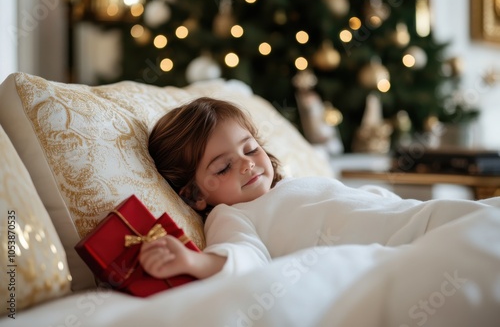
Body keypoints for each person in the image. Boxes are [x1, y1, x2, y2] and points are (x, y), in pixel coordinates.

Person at [140, 96, 500, 280]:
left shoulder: (293, 184)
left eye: (250, 148)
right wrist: (194, 261)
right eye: (223, 166)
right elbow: (244, 257)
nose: (247, 163)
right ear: (194, 195)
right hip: (398, 247)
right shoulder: (230, 215)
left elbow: (360, 200)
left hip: (411, 217)